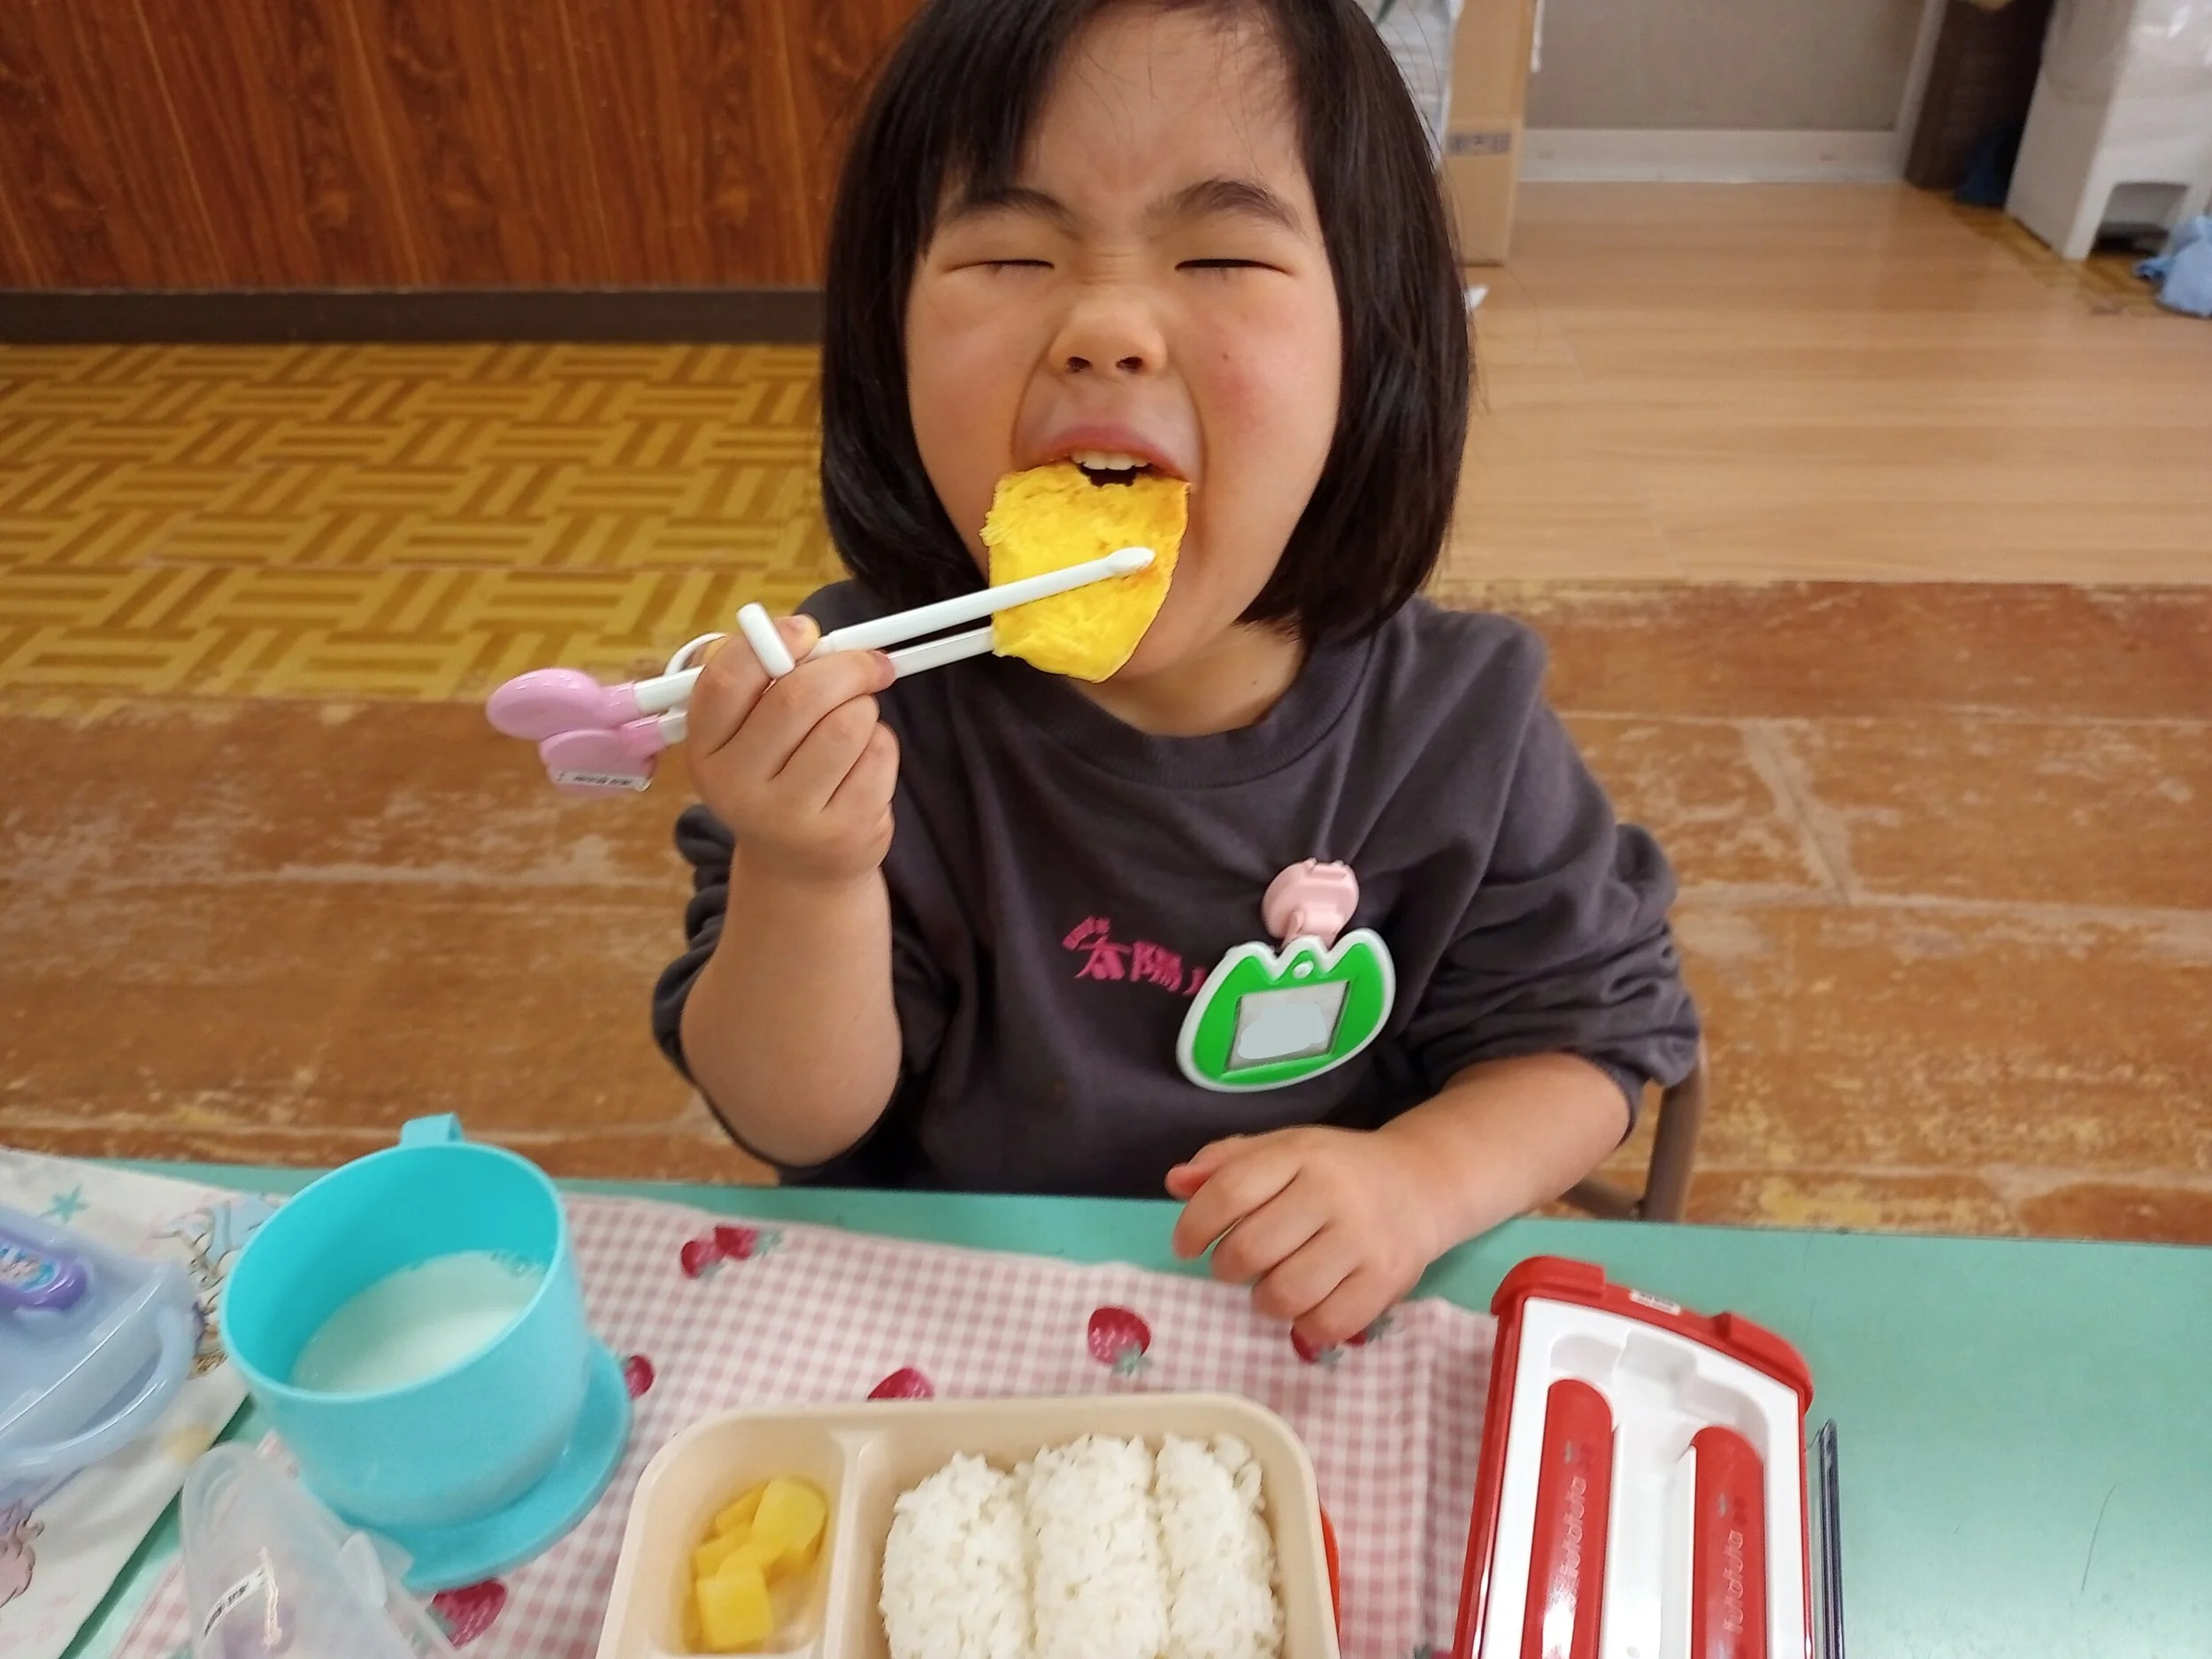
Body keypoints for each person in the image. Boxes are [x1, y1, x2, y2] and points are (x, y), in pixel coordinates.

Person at [654, 0, 1698, 1348]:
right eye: (1012, 252)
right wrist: (806, 868)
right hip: (953, 1333)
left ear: (1370, 344)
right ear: (885, 337)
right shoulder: (867, 700)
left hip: (1298, 1336)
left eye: (1219, 254)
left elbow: (1592, 1039)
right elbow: (790, 1116)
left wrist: (1420, 1179)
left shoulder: (1460, 727)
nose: (1105, 327)